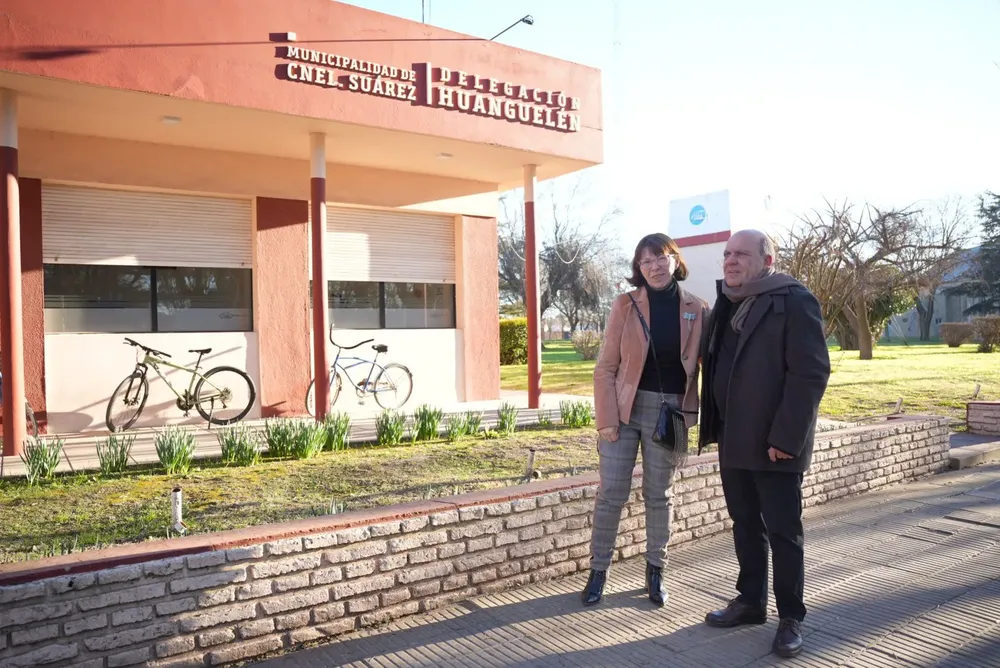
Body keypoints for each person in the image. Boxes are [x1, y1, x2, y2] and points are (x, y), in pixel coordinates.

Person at [698, 229, 831, 658]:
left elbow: (809, 373)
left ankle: (790, 615)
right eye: (727, 254)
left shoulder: (793, 300)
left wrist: (787, 438)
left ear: (767, 260)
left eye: (741, 254)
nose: (731, 261)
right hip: (733, 439)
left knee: (783, 532)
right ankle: (751, 601)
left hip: (775, 443)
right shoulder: (727, 302)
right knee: (744, 524)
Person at [584, 233, 710, 608]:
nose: (654, 266)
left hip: (671, 413)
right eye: (646, 261)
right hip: (625, 411)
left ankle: (656, 570)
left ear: (674, 260)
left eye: (661, 257)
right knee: (612, 494)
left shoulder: (698, 308)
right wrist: (606, 418)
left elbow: (709, 365)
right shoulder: (625, 305)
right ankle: (598, 570)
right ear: (638, 268)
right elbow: (606, 366)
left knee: (660, 494)